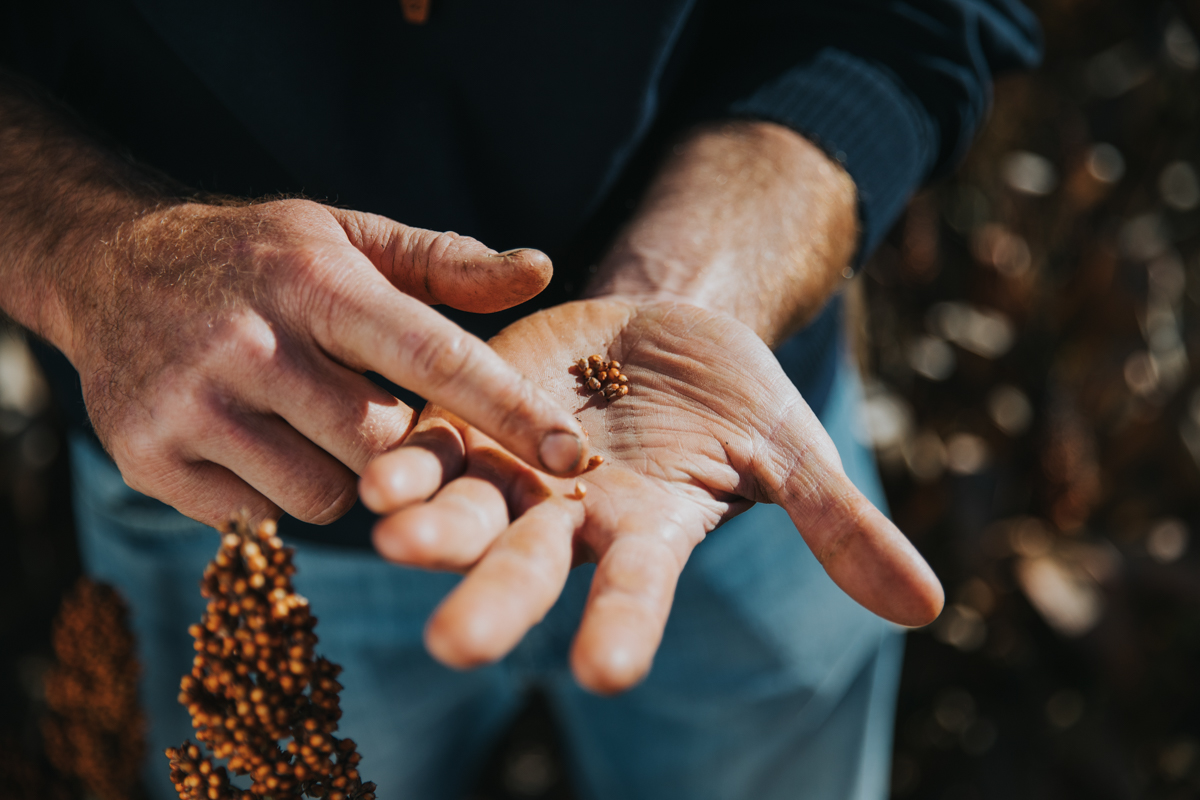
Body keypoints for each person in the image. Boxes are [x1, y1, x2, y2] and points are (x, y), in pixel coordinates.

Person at [0, 1, 1040, 798]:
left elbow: (907, 22)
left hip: (722, 456)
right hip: (227, 474)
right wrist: (88, 257)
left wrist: (685, 296)